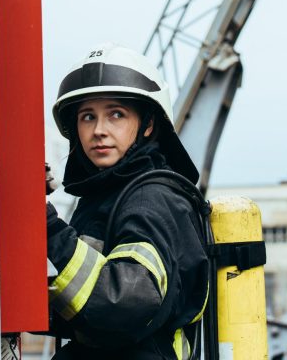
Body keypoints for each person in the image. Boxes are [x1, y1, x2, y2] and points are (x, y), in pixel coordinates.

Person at [46, 43, 209, 360]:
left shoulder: (153, 199)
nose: (98, 131)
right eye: (87, 116)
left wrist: (47, 227)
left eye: (116, 115)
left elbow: (123, 304)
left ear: (148, 124)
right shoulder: (105, 195)